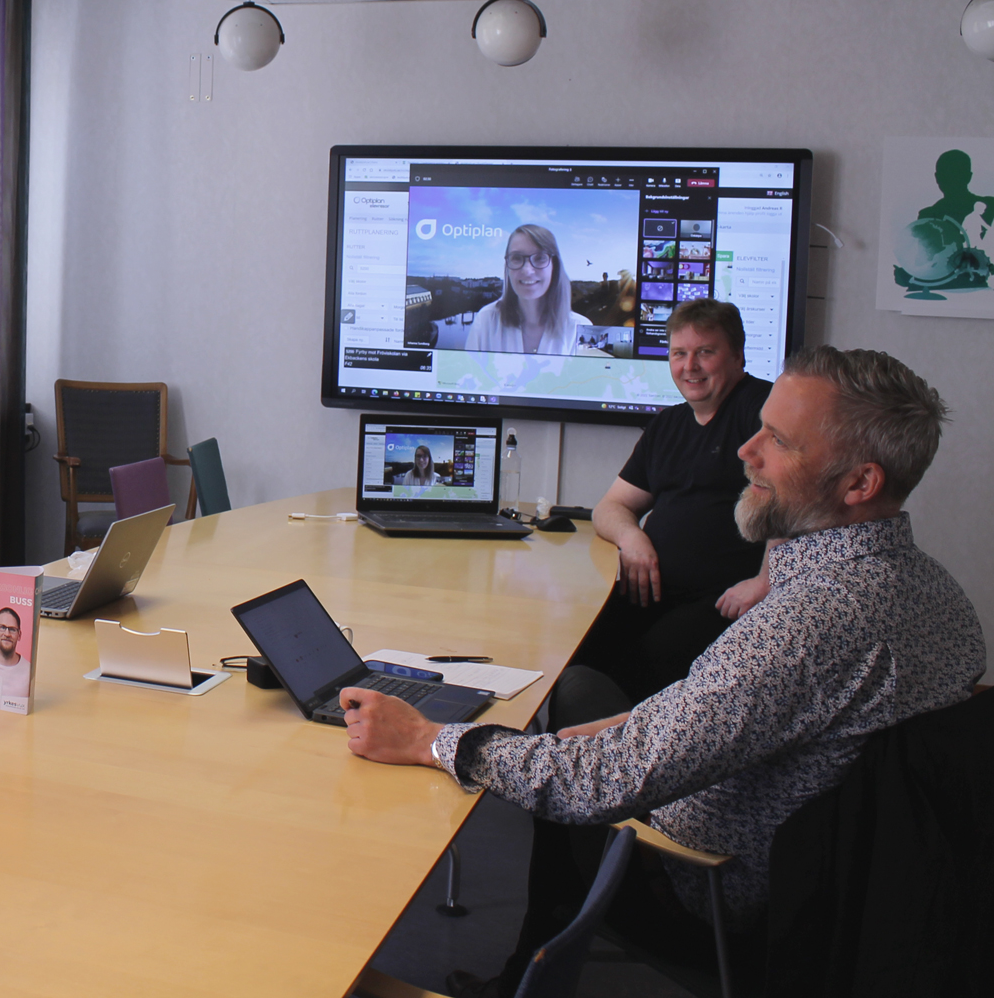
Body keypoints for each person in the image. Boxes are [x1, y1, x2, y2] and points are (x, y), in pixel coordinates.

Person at [339, 346, 984, 996]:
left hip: (704, 887)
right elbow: (761, 712)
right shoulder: (940, 595)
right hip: (873, 895)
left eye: (779, 441)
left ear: (859, 484)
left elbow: (598, 786)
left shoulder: (807, 626)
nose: (745, 451)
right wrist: (632, 724)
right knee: (584, 699)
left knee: (546, 760)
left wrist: (430, 740)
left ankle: (515, 984)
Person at [581, 299, 771, 701]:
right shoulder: (668, 424)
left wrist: (765, 581)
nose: (690, 366)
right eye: (679, 354)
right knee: (579, 649)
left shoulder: (764, 412)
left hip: (723, 601)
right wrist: (632, 540)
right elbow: (610, 507)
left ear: (737, 355)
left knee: (647, 662)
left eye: (705, 352)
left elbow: (799, 501)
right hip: (650, 593)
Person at [463, 224, 592, 356]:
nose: (527, 271)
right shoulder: (485, 321)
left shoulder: (581, 329)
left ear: (555, 266)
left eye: (540, 258)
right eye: (517, 258)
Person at [0, 607, 30, 701]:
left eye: (12, 629)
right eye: (3, 627)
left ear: (19, 635)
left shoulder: (29, 671)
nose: (7, 634)